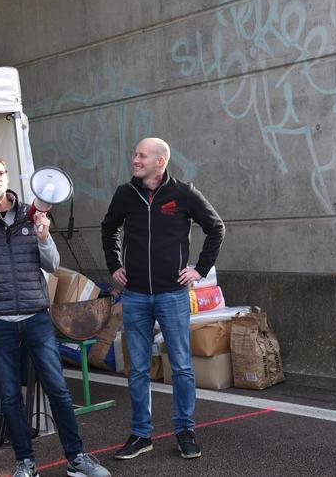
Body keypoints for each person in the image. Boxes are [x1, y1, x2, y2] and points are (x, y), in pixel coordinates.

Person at [0, 156, 110, 477]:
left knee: (57, 388)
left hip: (35, 315)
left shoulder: (32, 212)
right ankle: (25, 463)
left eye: (0, 173)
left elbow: (53, 264)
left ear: (8, 176)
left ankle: (77, 458)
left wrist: (44, 236)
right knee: (11, 394)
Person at [101, 138, 225, 460]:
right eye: (135, 154)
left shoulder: (183, 193)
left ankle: (185, 430)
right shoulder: (125, 195)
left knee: (182, 367)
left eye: (142, 155)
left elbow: (216, 228)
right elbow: (108, 229)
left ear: (160, 161)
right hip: (136, 296)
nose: (135, 160)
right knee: (138, 369)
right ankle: (141, 435)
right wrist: (115, 265)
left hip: (172, 295)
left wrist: (199, 269)